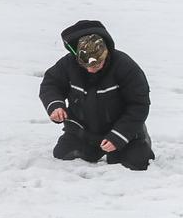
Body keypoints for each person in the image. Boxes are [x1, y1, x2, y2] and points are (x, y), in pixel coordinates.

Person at [39, 20, 155, 170]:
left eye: (96, 65)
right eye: (85, 65)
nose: (90, 70)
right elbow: (51, 84)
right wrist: (55, 105)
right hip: (83, 131)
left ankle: (137, 140)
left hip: (122, 131)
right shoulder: (68, 64)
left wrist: (118, 137)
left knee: (137, 162)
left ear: (105, 55)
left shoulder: (126, 66)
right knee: (63, 154)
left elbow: (139, 105)